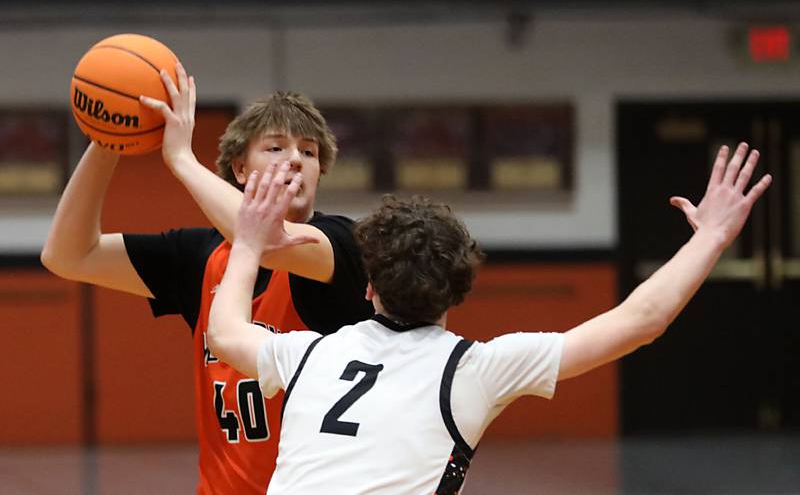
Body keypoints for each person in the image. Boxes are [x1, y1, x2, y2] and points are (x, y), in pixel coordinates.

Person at [207, 143, 771, 494]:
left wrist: (251, 242)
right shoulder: (474, 369)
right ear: (457, 292)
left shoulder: (311, 353)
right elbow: (642, 318)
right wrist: (713, 237)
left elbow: (225, 333)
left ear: (369, 286)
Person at [40, 62, 374, 494]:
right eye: (276, 148)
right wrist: (110, 138)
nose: (295, 158)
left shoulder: (341, 244)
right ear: (239, 169)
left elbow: (264, 236)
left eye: (308, 152)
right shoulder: (201, 256)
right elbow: (69, 254)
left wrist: (181, 158)